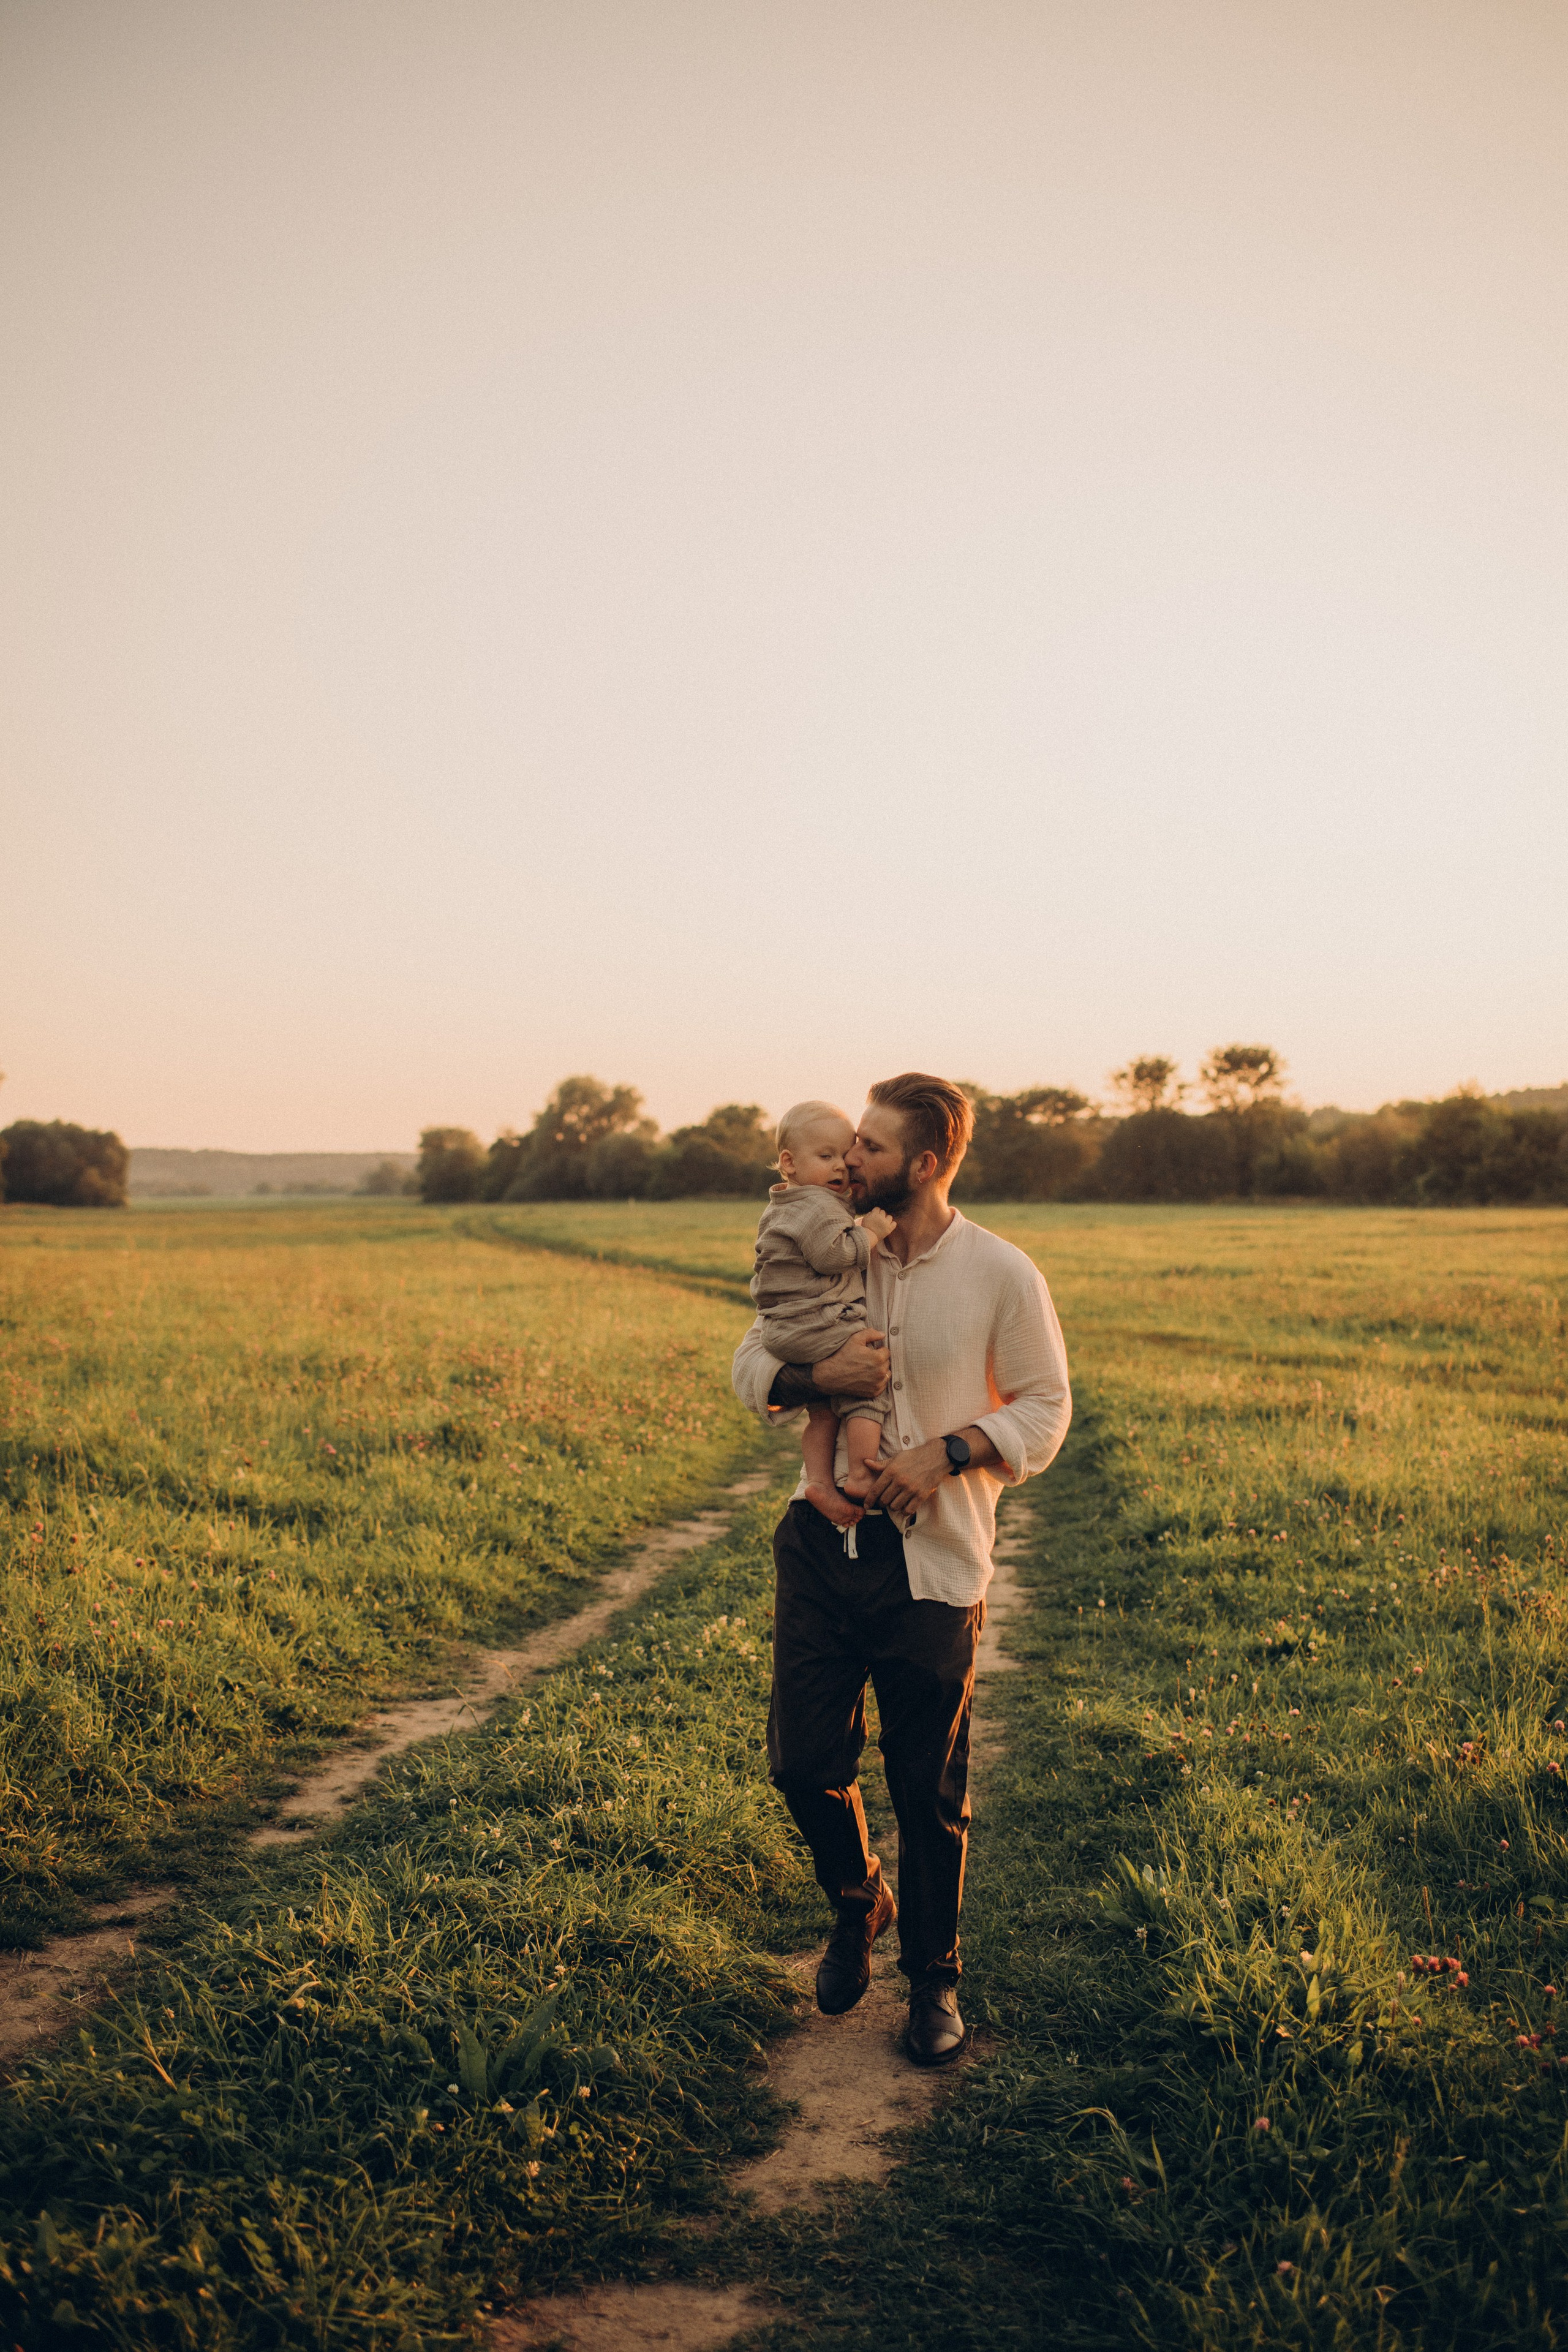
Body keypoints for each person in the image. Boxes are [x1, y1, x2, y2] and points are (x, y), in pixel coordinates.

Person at [731, 1073, 1071, 2066]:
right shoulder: (836, 1248)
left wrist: (950, 1451)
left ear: (923, 1164)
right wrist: (810, 1380)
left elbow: (1045, 1411)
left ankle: (934, 1982)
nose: (852, 1164)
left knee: (928, 1789)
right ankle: (856, 1900)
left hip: (935, 1567)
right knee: (802, 1762)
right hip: (821, 1549)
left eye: (871, 1150)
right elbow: (751, 1359)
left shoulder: (1003, 1273)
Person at [750, 1100, 896, 1529]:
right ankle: (859, 1474)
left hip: (786, 1329)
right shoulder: (815, 1204)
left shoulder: (792, 1202)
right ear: (789, 1163)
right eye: (826, 1156)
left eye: (845, 1155)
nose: (842, 1167)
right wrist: (869, 1233)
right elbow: (831, 1253)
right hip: (814, 1322)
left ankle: (818, 1482)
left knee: (823, 1411)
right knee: (868, 1388)